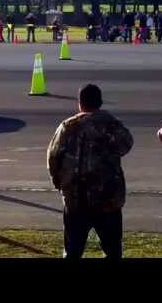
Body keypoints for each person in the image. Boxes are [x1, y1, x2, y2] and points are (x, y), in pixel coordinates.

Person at [47, 84, 134, 259]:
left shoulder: (68, 127)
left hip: (76, 200)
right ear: (100, 102)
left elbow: (53, 157)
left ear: (80, 103)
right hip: (108, 199)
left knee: (73, 250)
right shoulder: (112, 125)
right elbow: (126, 145)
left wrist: (60, 184)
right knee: (113, 250)